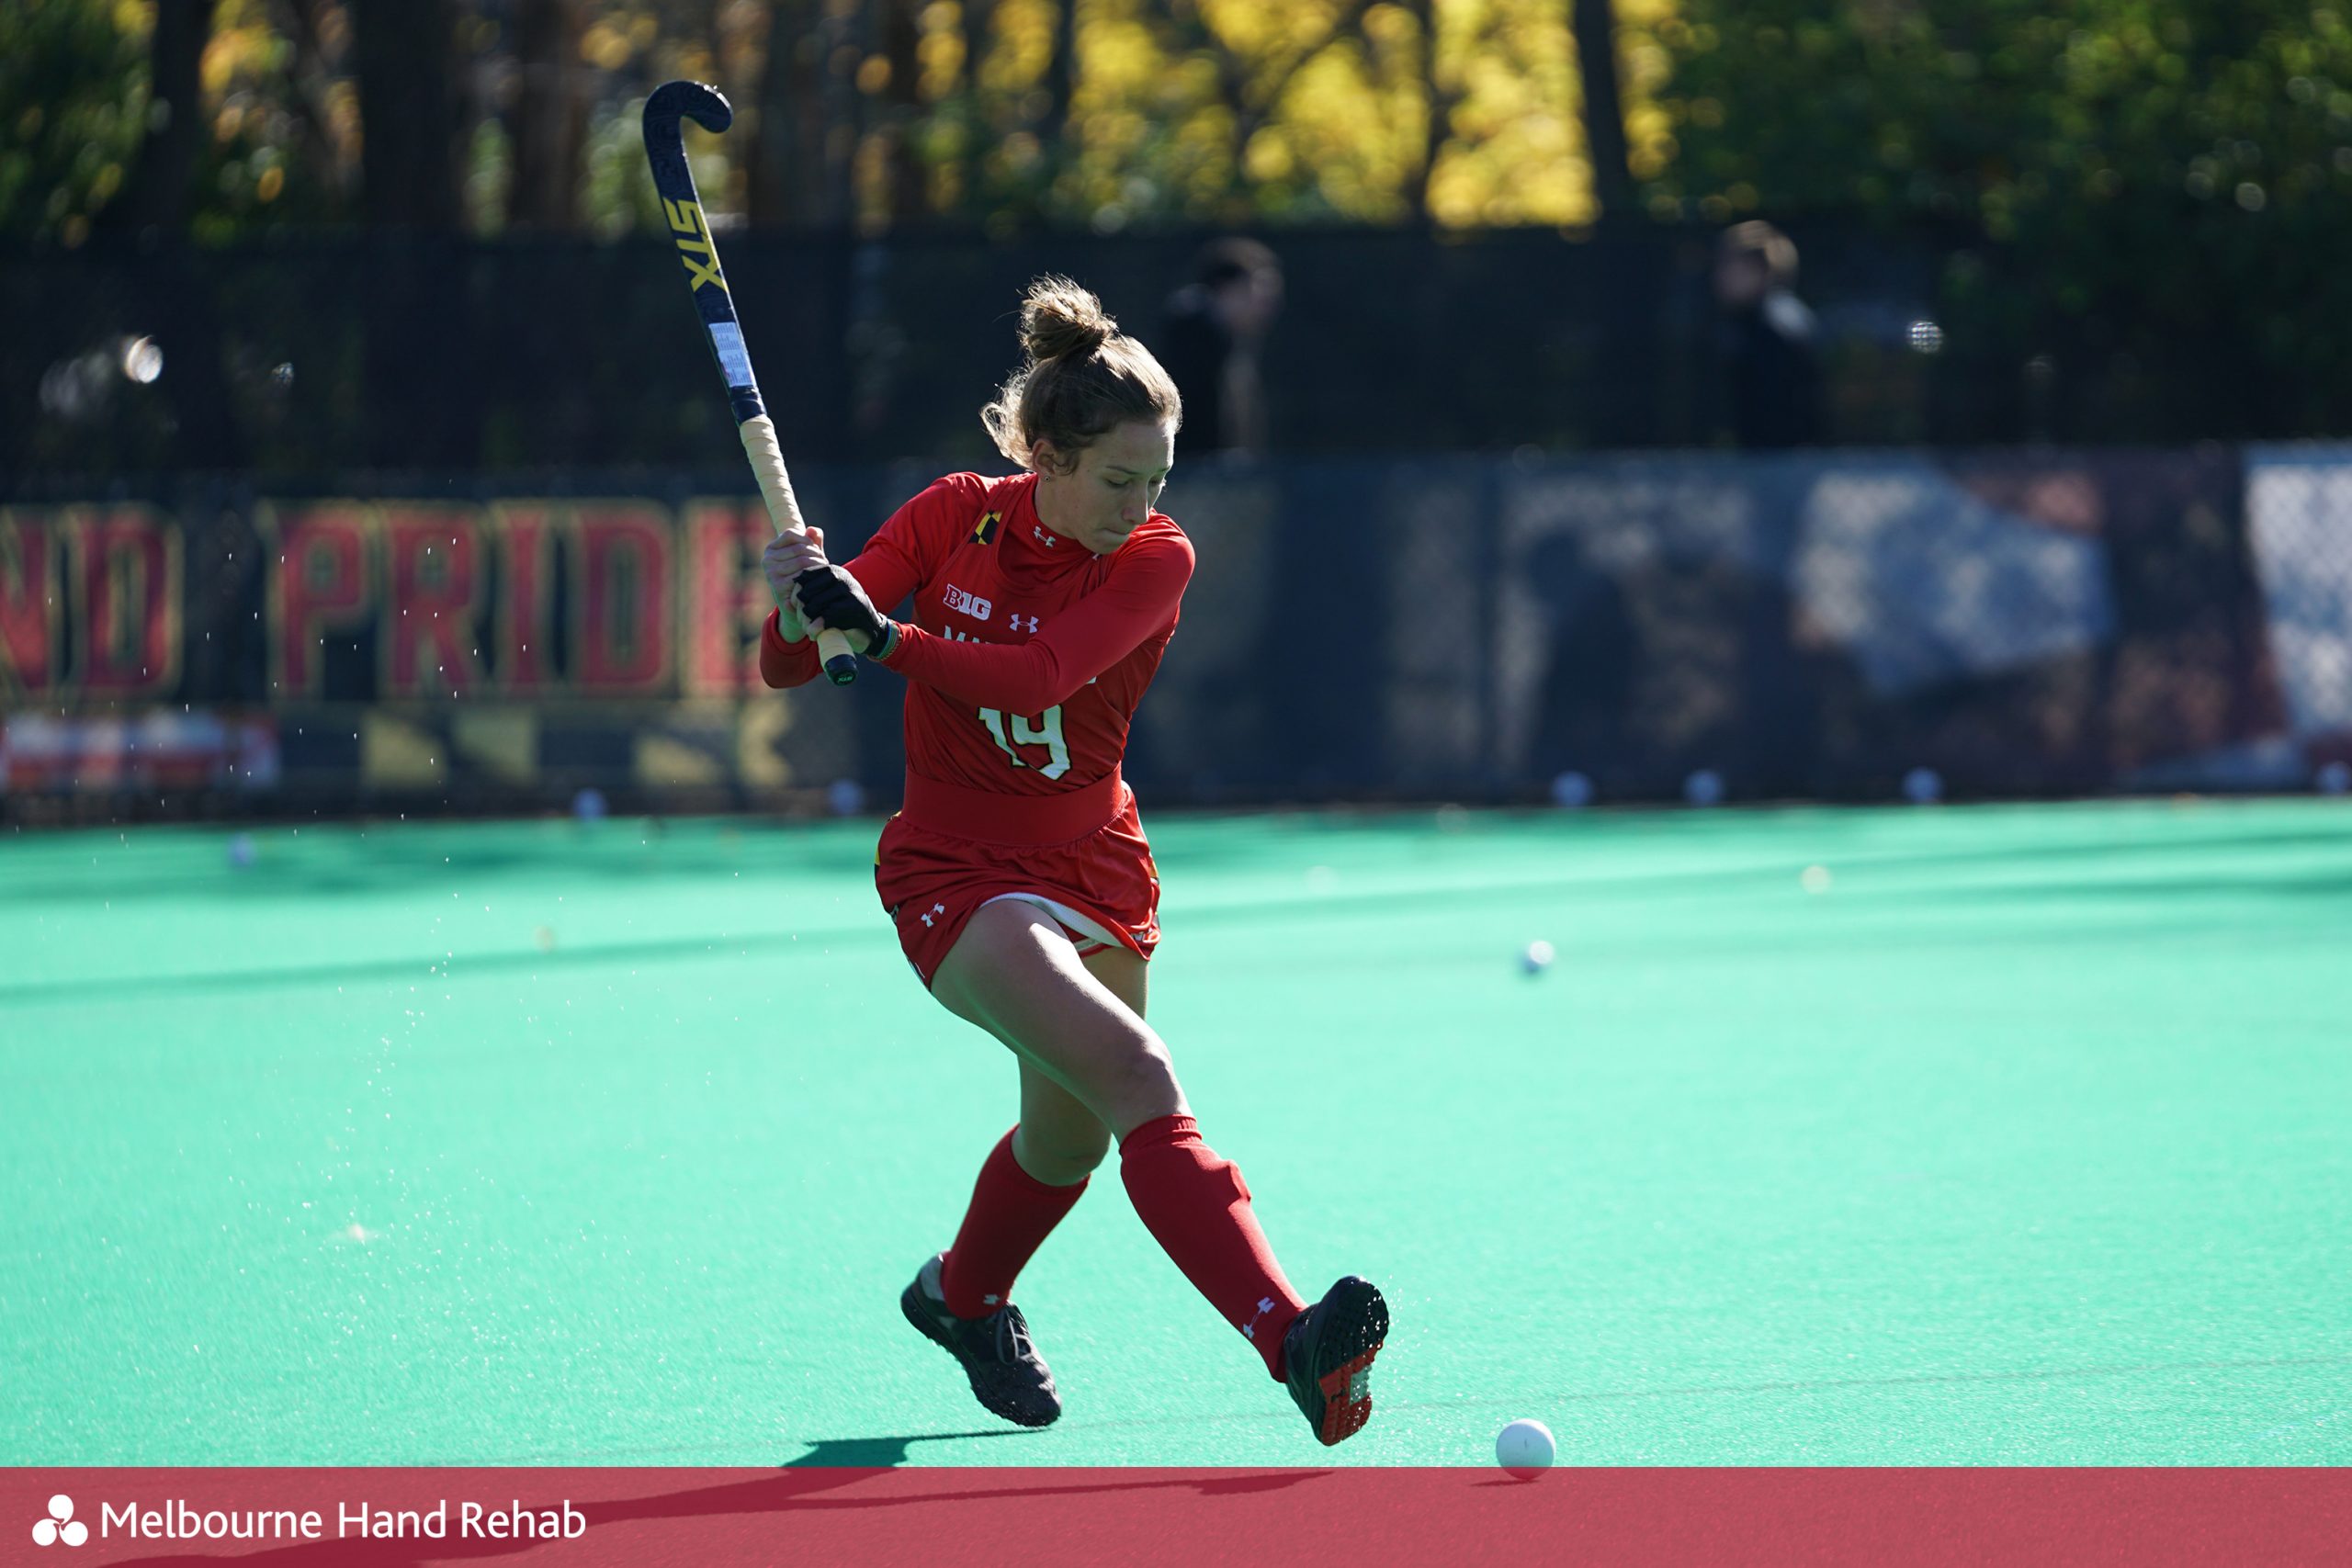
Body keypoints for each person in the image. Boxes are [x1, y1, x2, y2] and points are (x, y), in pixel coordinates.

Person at [756, 276, 1388, 1447]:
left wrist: (883, 637)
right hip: (953, 867)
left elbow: (1044, 673)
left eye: (1156, 479)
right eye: (1115, 479)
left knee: (1070, 1138)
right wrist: (804, 604)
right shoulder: (951, 516)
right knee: (1141, 1075)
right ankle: (1291, 1339)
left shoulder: (1157, 559)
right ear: (1043, 454)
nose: (1138, 503)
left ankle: (959, 1297)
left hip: (1093, 861)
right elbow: (787, 669)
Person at [1159, 238, 1283, 459]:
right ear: (1230, 289)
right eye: (1259, 296)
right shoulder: (1192, 332)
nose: (1266, 309)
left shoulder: (1223, 337)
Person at [1713, 220, 1824, 449]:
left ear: (1758, 269)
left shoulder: (1773, 328)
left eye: (1728, 266)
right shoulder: (1774, 319)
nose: (1719, 277)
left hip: (1777, 466)